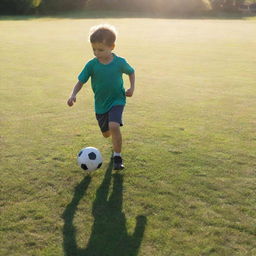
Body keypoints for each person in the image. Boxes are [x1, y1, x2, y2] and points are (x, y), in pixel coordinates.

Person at [67, 24, 135, 170]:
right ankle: (115, 140)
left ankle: (117, 157)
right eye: (94, 49)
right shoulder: (91, 65)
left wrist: (131, 88)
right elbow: (81, 81)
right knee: (106, 134)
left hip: (117, 99)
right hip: (101, 104)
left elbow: (131, 72)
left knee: (114, 125)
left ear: (112, 47)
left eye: (101, 49)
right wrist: (73, 94)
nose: (96, 53)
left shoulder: (120, 62)